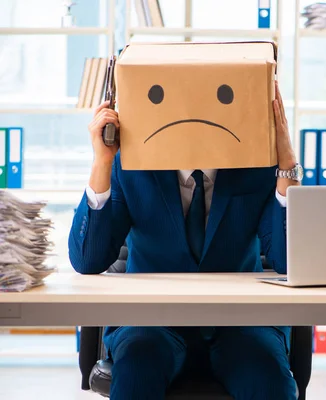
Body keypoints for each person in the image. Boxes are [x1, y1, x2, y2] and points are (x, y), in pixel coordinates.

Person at [68, 82, 302, 400]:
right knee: (137, 369)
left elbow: (289, 263)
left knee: (268, 381)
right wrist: (102, 162)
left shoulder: (258, 166)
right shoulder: (131, 165)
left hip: (240, 322)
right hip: (151, 321)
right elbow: (87, 260)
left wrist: (286, 163)